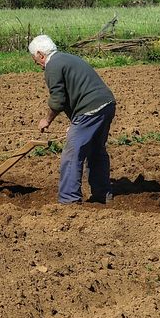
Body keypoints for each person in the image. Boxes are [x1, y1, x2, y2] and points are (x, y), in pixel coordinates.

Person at [29, 35, 116, 204]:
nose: (35, 63)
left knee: (72, 153)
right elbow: (78, 91)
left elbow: (58, 100)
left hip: (90, 110)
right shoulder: (67, 58)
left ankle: (69, 199)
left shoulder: (52, 65)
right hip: (106, 104)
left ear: (40, 54)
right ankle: (102, 194)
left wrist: (47, 120)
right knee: (96, 151)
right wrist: (76, 123)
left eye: (34, 59)